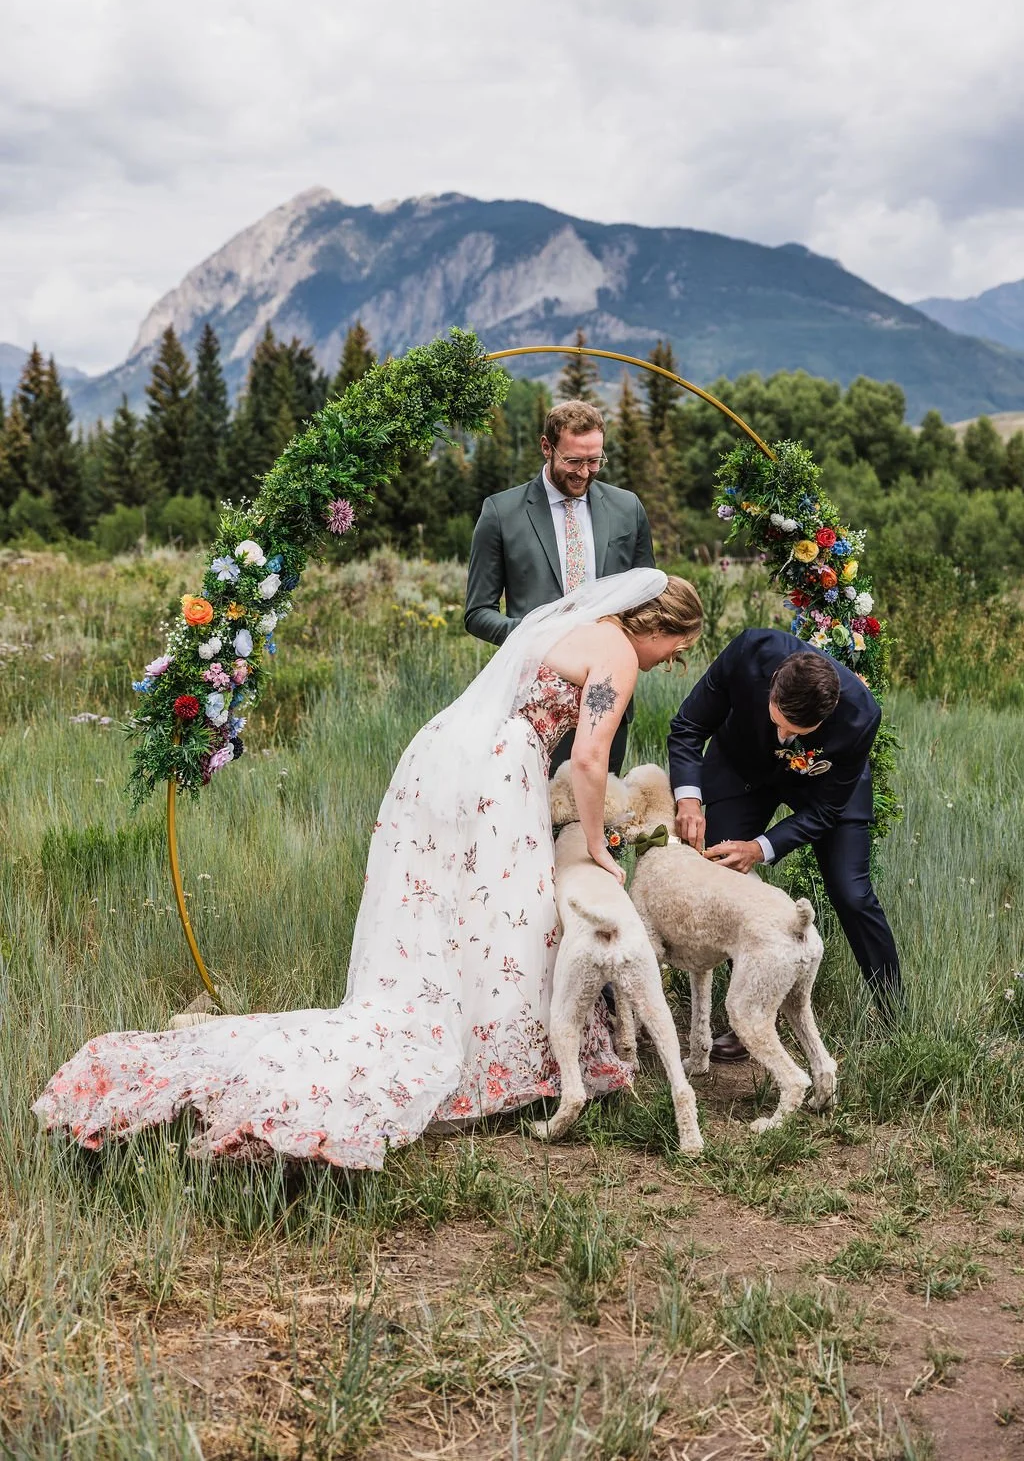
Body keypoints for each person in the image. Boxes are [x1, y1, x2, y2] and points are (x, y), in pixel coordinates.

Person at [35, 570, 703, 1169]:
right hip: (495, 771)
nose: (674, 658)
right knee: (511, 916)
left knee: (456, 917)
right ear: (661, 625)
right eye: (679, 645)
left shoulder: (569, 623)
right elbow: (589, 759)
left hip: (446, 751)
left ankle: (501, 1056)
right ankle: (504, 1068)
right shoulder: (615, 648)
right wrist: (597, 845)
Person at [668, 628, 900, 1062]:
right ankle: (749, 1018)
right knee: (717, 868)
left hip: (824, 790)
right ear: (772, 684)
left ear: (827, 715)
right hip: (742, 766)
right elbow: (688, 726)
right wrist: (688, 797)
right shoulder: (749, 652)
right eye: (779, 723)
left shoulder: (861, 715)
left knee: (852, 893)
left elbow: (827, 811)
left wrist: (761, 847)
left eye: (797, 732)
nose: (784, 739)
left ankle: (893, 1017)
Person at [465, 399, 656, 774]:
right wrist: (539, 637)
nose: (585, 472)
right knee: (533, 817)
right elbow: (477, 614)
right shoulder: (501, 513)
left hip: (606, 695)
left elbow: (647, 602)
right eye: (573, 461)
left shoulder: (627, 509)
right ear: (546, 447)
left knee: (597, 817)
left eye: (594, 461)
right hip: (532, 698)